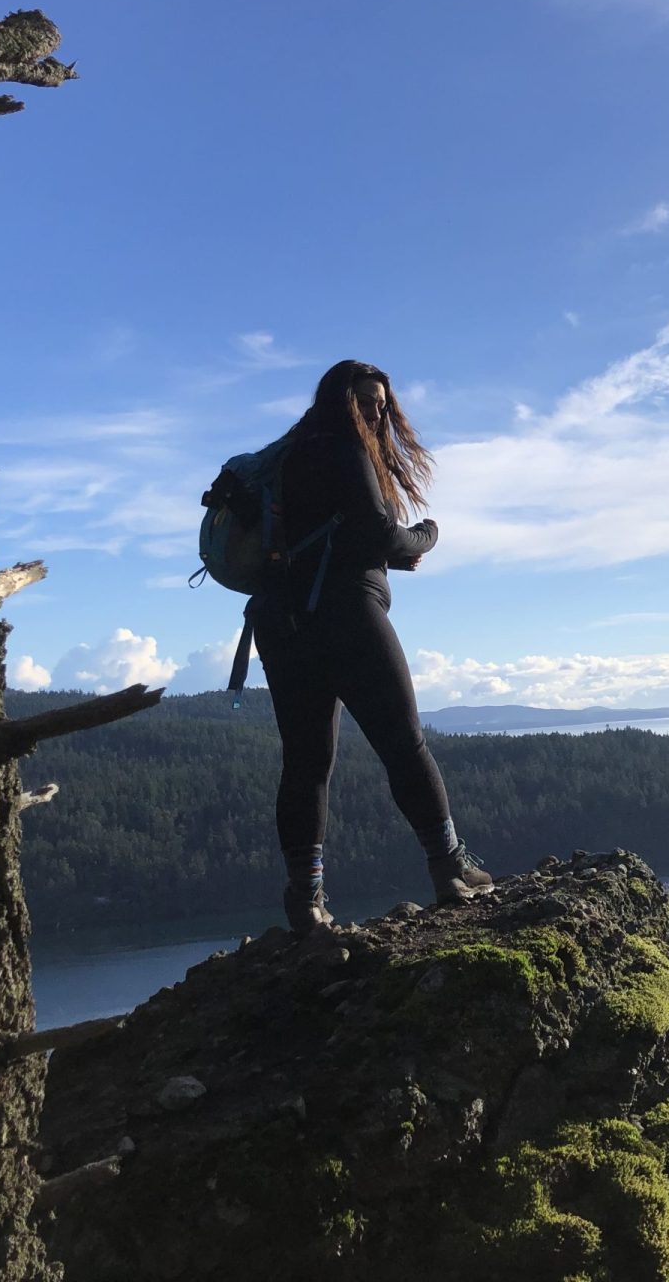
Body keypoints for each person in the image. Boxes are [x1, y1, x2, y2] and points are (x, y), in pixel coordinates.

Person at [252, 359, 492, 935]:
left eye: (382, 403)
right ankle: (450, 866)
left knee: (306, 763)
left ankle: (306, 901)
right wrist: (427, 535)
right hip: (346, 614)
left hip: (281, 622)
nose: (376, 411)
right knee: (404, 743)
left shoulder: (288, 454)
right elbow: (379, 534)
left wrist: (382, 549)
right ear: (341, 399)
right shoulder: (343, 448)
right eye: (366, 400)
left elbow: (344, 537)